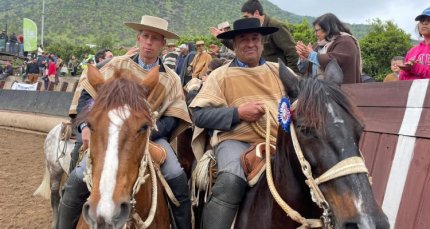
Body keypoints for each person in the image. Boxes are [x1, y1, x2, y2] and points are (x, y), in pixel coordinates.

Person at [57, 15, 192, 229]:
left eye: (155, 39)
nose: (149, 42)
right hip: (108, 136)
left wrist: (140, 132)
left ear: (163, 44)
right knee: (75, 180)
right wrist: (85, 127)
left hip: (152, 138)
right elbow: (87, 96)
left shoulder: (171, 79)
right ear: (138, 38)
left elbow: (174, 118)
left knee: (177, 177)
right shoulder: (115, 65)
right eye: (146, 36)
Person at [189, 17, 283, 229]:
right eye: (243, 39)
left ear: (262, 42)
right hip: (235, 140)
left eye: (255, 38)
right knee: (231, 181)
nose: (250, 44)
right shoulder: (220, 75)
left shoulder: (279, 72)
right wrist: (237, 113)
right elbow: (200, 116)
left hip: (279, 140)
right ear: (234, 44)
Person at [296, 13, 362, 84]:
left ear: (327, 28)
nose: (315, 34)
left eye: (317, 30)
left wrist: (311, 55)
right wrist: (304, 59)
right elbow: (303, 70)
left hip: (339, 92)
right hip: (316, 91)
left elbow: (334, 62)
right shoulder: (318, 45)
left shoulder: (346, 42)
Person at [399, 7, 430, 80]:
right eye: (422, 20)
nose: (425, 23)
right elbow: (402, 79)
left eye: (429, 20)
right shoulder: (412, 51)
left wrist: (416, 67)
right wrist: (407, 70)